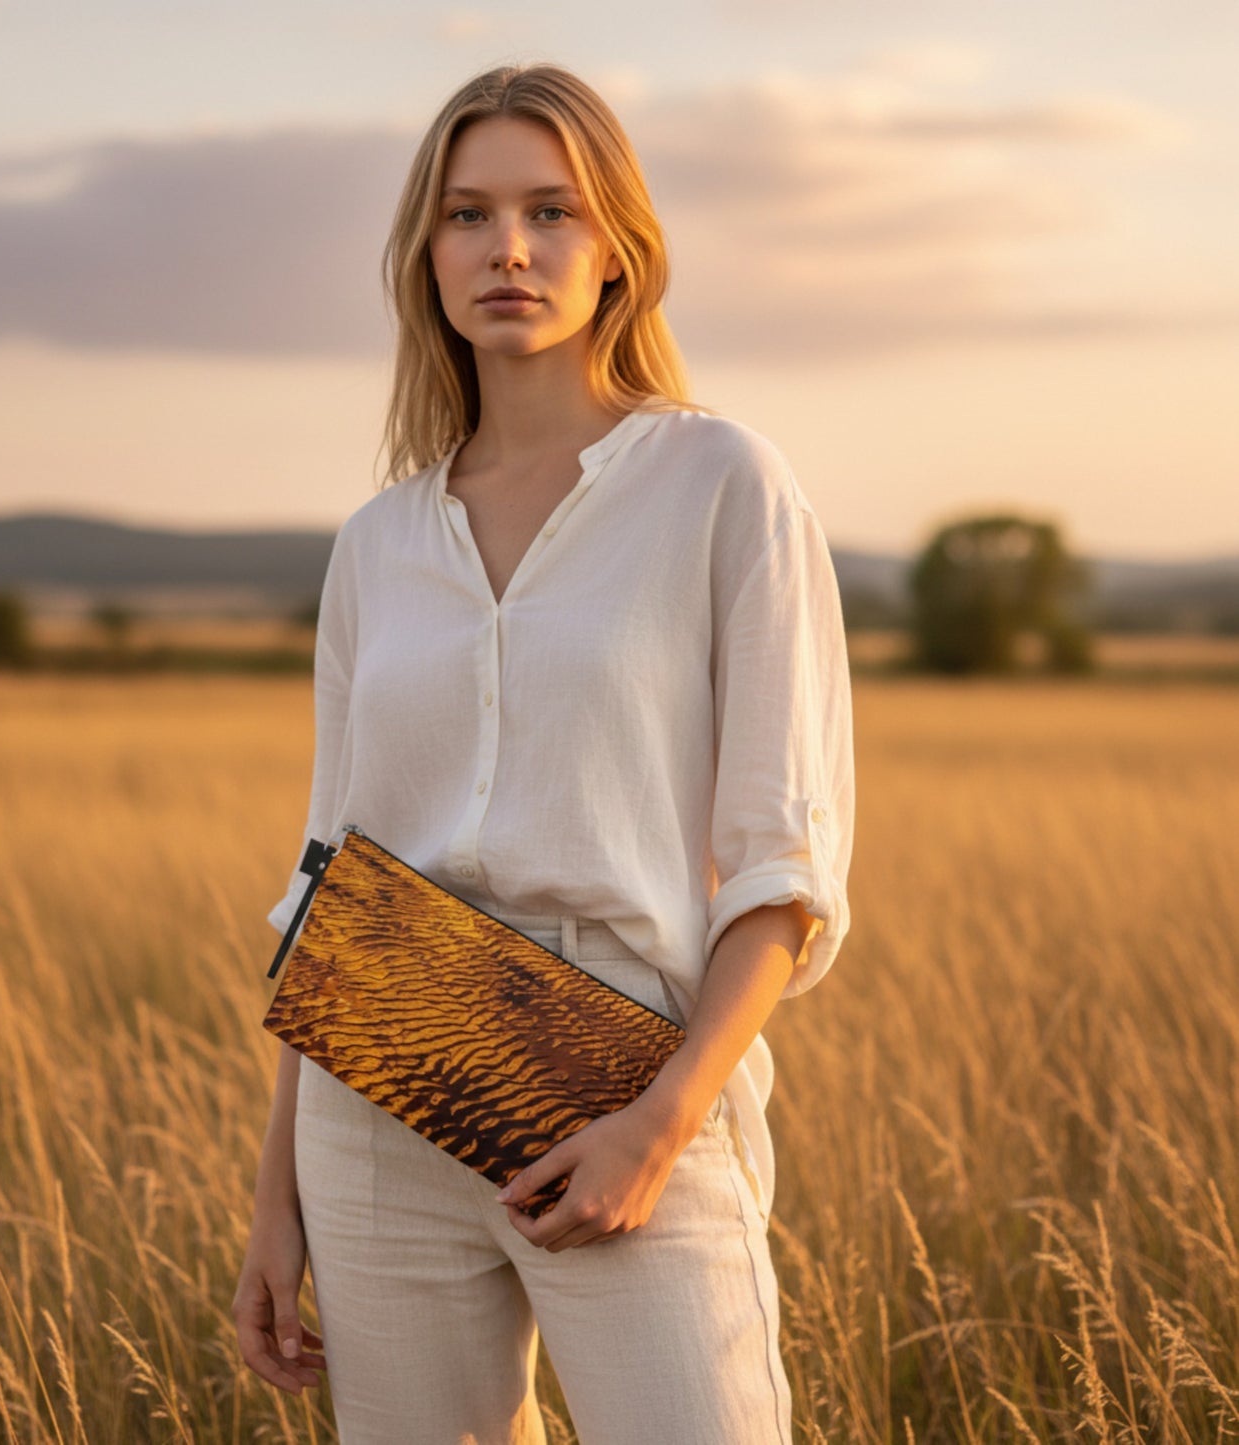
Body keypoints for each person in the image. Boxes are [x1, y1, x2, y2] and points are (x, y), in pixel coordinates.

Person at [233, 62, 855, 1445]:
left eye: (549, 211)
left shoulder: (721, 487)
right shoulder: (378, 541)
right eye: (466, 214)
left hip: (631, 1082)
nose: (506, 248)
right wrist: (277, 1198)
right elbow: (327, 879)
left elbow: (785, 867)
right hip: (372, 1093)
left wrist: (659, 1122)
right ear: (425, 254)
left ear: (618, 250)